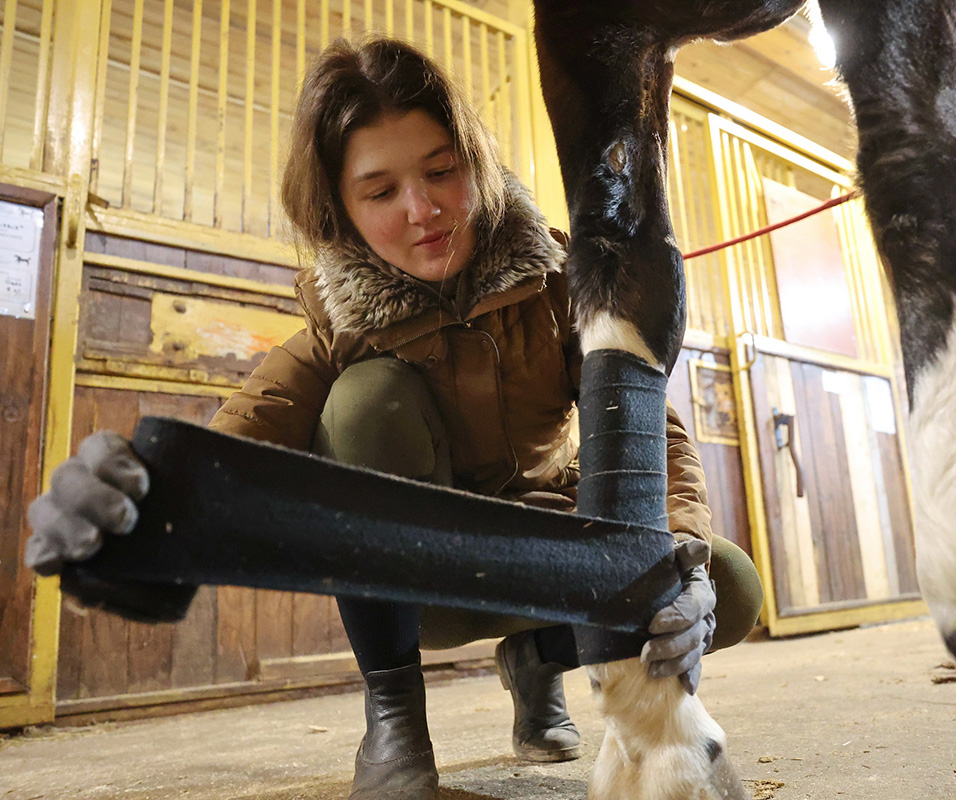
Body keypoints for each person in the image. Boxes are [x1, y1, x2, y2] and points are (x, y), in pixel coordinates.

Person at [25, 36, 764, 800]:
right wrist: (137, 507)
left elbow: (654, 431)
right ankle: (394, 716)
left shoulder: (566, 280)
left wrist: (681, 557)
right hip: (431, 570)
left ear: (476, 163)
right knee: (363, 398)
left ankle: (538, 657)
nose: (424, 209)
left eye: (442, 170)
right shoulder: (338, 326)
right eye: (380, 192)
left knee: (729, 586)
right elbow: (234, 439)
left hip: (556, 546)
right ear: (340, 210)